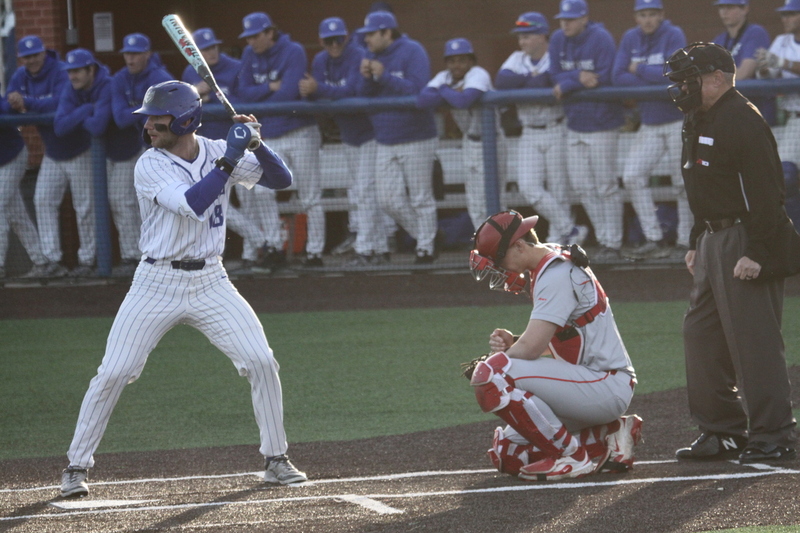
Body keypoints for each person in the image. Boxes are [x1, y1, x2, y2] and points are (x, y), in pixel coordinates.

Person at [60, 81, 307, 498]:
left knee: (261, 361)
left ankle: (276, 459)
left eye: (159, 119)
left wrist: (258, 143)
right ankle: (76, 466)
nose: (149, 125)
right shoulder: (150, 165)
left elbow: (281, 180)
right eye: (149, 118)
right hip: (156, 283)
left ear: (186, 120)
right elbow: (194, 203)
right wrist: (232, 155)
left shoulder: (212, 149)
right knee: (115, 372)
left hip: (212, 280)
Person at [664, 43, 797, 463]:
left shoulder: (742, 119)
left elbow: (768, 194)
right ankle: (722, 431)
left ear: (717, 78)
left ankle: (775, 434)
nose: (682, 88)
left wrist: (756, 250)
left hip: (745, 239)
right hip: (712, 240)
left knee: (753, 341)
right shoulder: (698, 117)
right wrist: (694, 239)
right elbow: (705, 189)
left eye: (690, 79)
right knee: (699, 335)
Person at [466, 210, 642, 480]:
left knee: (493, 374)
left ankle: (572, 456)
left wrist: (494, 363)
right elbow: (564, 339)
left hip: (604, 384)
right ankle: (612, 433)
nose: (499, 268)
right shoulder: (548, 264)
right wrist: (514, 342)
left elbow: (532, 349)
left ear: (519, 246)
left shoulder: (555, 274)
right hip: (588, 382)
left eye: (499, 259)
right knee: (508, 453)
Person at [237, 12, 325, 268]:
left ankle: (315, 253)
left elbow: (288, 94)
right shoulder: (248, 55)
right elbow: (242, 92)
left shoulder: (293, 50)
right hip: (270, 135)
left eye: (255, 36)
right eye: (248, 37)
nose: (251, 42)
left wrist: (263, 97)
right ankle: (274, 247)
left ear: (269, 33)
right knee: (262, 191)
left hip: (300, 132)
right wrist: (269, 88)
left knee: (309, 196)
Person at [179, 27, 270, 275]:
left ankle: (254, 255)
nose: (211, 52)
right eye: (205, 49)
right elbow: (182, 111)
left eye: (213, 47)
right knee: (218, 203)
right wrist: (198, 95)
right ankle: (263, 243)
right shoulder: (190, 72)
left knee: (251, 200)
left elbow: (246, 98)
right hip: (208, 149)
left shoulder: (235, 67)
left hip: (236, 144)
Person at [300, 16, 390, 266]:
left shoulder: (358, 54)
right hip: (348, 135)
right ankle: (380, 249)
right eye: (329, 41)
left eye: (338, 39)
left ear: (346, 37)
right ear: (321, 41)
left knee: (365, 191)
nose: (334, 45)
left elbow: (353, 91)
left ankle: (365, 250)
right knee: (361, 192)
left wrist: (320, 89)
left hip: (370, 133)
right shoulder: (320, 60)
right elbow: (318, 97)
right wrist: (323, 93)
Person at [495, 12, 586, 246]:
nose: (522, 41)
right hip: (530, 131)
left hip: (556, 127)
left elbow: (550, 79)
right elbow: (502, 81)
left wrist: (529, 80)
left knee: (559, 190)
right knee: (528, 186)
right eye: (521, 37)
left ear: (542, 36)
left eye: (527, 36)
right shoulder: (517, 58)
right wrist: (534, 78)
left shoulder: (555, 55)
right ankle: (570, 229)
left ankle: (558, 243)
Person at [356, 10, 440, 264]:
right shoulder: (370, 55)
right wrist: (367, 78)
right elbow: (362, 94)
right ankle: (428, 238)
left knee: (420, 197)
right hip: (385, 138)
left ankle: (426, 248)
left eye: (371, 34)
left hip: (416, 136)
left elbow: (419, 90)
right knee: (388, 200)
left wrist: (385, 76)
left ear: (387, 32)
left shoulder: (413, 50)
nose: (367, 39)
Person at [548, 0, 626, 261]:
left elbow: (605, 76)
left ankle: (613, 243)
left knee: (605, 186)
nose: (565, 23)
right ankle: (604, 238)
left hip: (603, 122)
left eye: (571, 19)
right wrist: (577, 78)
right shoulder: (558, 38)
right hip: (575, 123)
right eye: (562, 19)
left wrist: (572, 80)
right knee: (582, 187)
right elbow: (554, 74)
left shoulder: (600, 37)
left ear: (584, 18)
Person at [612, 0, 690, 259]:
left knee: (683, 181)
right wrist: (652, 74)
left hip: (678, 119)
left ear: (661, 15)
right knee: (632, 175)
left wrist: (639, 69)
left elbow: (675, 72)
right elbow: (617, 76)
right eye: (643, 14)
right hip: (649, 122)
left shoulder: (674, 33)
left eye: (652, 14)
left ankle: (685, 241)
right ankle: (654, 238)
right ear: (636, 17)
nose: (647, 19)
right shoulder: (630, 37)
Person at [6, 35, 88, 277]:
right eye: (27, 56)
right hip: (52, 152)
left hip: (80, 150)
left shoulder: (61, 71)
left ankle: (88, 262)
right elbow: (10, 101)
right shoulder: (20, 75)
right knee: (43, 201)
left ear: (44, 53)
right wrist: (16, 102)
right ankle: (51, 262)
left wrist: (27, 102)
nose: (31, 60)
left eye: (35, 54)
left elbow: (60, 104)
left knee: (84, 208)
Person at [418, 38, 503, 234]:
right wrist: (450, 92)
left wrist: (444, 91)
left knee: (493, 197)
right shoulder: (445, 76)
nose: (456, 65)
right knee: (473, 199)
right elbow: (423, 99)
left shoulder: (478, 74)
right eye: (452, 60)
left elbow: (464, 100)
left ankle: (502, 245)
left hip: (491, 142)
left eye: (462, 60)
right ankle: (484, 245)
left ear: (471, 61)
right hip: (469, 141)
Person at [110, 33, 173, 275]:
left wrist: (134, 111)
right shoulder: (119, 79)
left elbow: (167, 115)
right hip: (133, 150)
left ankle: (161, 254)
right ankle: (131, 255)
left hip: (162, 151)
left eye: (135, 53)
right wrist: (146, 111)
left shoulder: (160, 78)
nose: (130, 58)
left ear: (147, 54)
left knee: (163, 203)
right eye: (127, 53)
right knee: (119, 199)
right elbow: (120, 118)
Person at [50, 49, 113, 278]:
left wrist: (77, 117)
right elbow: (60, 127)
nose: (72, 76)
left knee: (120, 206)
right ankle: (83, 261)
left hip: (128, 151)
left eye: (77, 71)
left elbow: (98, 127)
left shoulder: (107, 84)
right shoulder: (70, 88)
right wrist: (86, 110)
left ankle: (103, 260)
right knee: (82, 206)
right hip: (92, 154)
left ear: (91, 69)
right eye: (69, 71)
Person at [0, 94, 47, 278]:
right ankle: (41, 261)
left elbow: (6, 106)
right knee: (16, 214)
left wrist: (14, 105)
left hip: (12, 157)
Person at [711, 0, 775, 124]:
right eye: (721, 7)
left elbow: (744, 73)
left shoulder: (756, 32)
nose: (724, 12)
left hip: (757, 113)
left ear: (745, 9)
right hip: (730, 114)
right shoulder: (720, 39)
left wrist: (717, 80)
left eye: (730, 7)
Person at [755, 0, 800, 166]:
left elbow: (780, 63)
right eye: (784, 14)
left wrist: (782, 62)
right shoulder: (781, 40)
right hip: (794, 119)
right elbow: (767, 75)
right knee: (784, 172)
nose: (785, 19)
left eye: (791, 14)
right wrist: (764, 68)